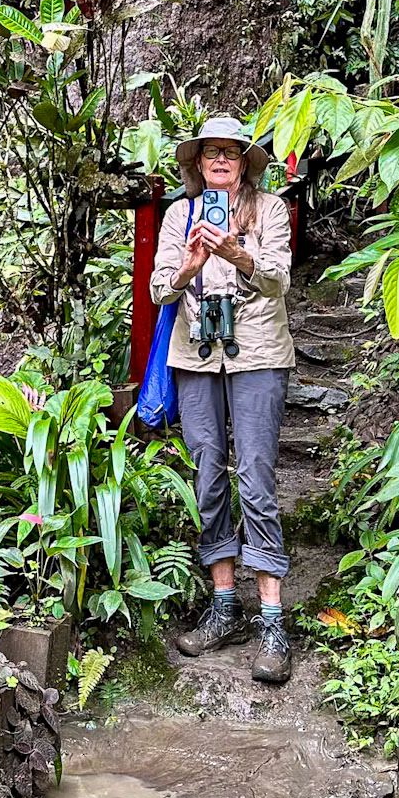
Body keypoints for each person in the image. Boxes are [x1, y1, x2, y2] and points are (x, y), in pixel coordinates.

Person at [149, 114, 296, 684]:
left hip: (258, 353)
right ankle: (224, 604)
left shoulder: (271, 210)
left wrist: (238, 254)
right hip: (195, 357)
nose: (219, 160)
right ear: (196, 163)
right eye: (209, 152)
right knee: (208, 475)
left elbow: (280, 279)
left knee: (255, 476)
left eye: (230, 153)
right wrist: (191, 263)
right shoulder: (178, 216)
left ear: (244, 163)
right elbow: (161, 288)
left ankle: (272, 621)